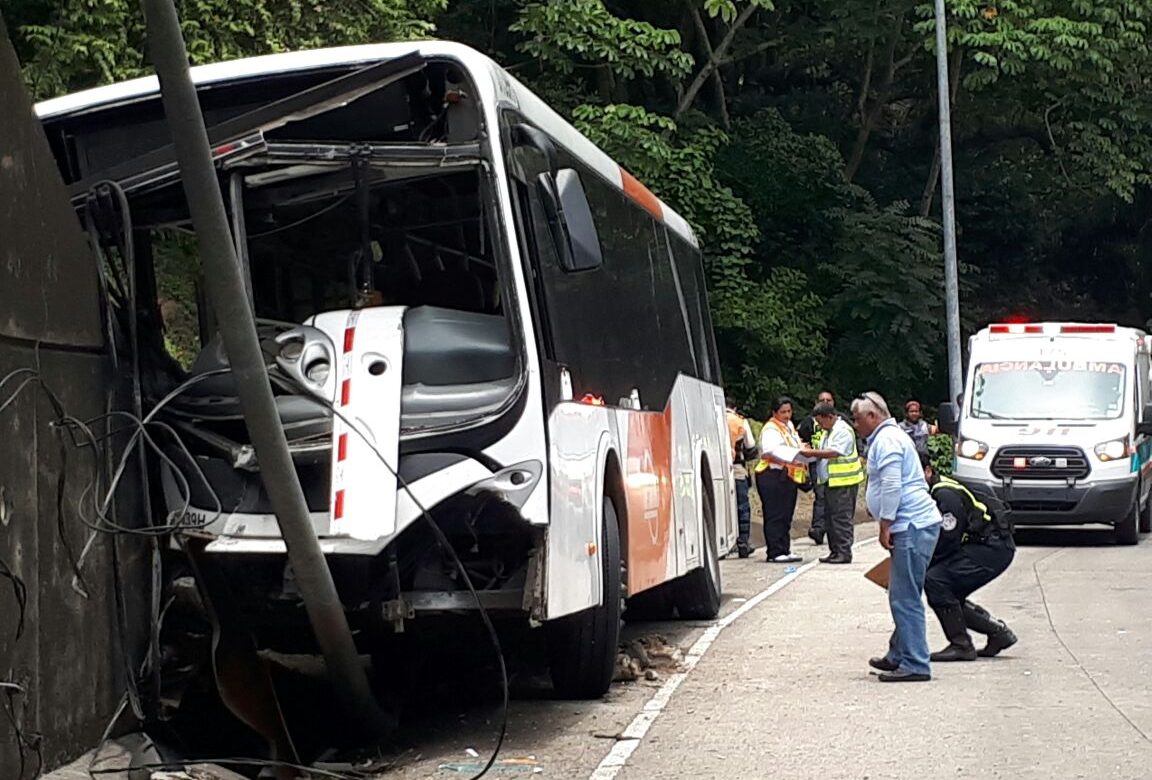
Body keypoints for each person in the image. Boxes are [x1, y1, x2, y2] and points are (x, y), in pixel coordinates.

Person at [852, 391, 941, 683]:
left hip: (909, 525)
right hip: (915, 524)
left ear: (872, 416)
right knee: (904, 592)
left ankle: (915, 662)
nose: (855, 425)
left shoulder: (887, 440)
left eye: (857, 419)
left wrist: (885, 523)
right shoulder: (890, 437)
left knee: (905, 598)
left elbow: (892, 485)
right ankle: (899, 653)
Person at [919, 452, 1018, 661]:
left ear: (928, 471)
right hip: (986, 545)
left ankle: (961, 644)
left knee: (936, 581)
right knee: (947, 591)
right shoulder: (934, 490)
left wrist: (923, 565)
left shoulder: (944, 493)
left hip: (991, 547)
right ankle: (998, 633)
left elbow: (949, 537)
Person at [800, 403, 864, 564]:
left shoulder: (842, 430)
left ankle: (843, 551)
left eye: (821, 422)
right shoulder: (828, 432)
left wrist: (810, 453)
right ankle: (835, 551)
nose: (820, 426)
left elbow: (834, 452)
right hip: (832, 481)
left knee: (841, 518)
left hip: (844, 481)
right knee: (830, 518)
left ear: (829, 417)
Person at [754, 397, 810, 563]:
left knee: (786, 513)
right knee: (775, 514)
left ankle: (784, 548)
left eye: (789, 411)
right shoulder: (771, 429)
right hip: (772, 475)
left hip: (788, 476)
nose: (787, 415)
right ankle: (775, 551)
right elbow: (768, 453)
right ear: (774, 413)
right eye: (783, 412)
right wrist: (791, 458)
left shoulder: (789, 426)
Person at [797, 390, 836, 545]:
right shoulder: (809, 422)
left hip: (838, 466)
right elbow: (800, 440)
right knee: (820, 496)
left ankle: (832, 529)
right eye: (822, 400)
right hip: (816, 463)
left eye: (829, 400)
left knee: (835, 500)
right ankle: (818, 528)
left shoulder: (841, 422)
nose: (825, 403)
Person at [726, 398, 759, 558]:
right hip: (737, 468)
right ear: (735, 407)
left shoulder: (712, 418)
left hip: (716, 470)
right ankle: (743, 543)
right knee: (742, 507)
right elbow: (751, 446)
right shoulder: (740, 422)